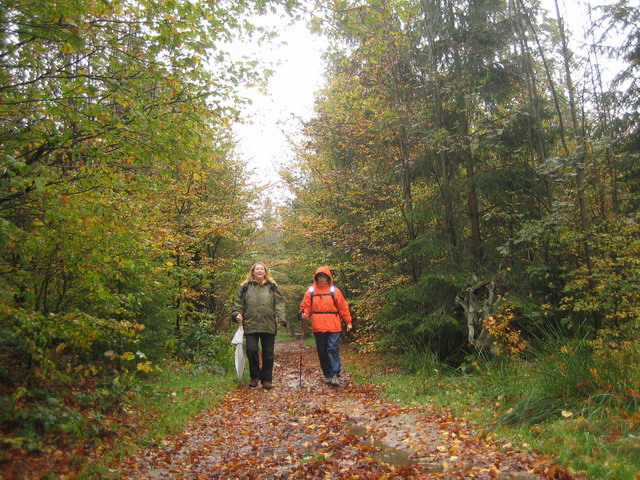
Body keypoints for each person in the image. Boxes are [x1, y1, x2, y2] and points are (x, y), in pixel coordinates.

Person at [232, 262, 286, 390]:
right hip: (251, 324)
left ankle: (266, 380)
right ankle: (254, 377)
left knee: (268, 353)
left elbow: (279, 304)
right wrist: (237, 314)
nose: (260, 271)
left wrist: (281, 319)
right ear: (253, 272)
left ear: (265, 272)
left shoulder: (272, 287)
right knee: (251, 350)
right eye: (257, 269)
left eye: (262, 269)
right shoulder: (245, 287)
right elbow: (238, 303)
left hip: (268, 324)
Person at [298, 266, 352, 387]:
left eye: (324, 277)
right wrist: (303, 314)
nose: (322, 279)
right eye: (320, 277)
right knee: (322, 351)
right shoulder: (311, 291)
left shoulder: (334, 291)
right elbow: (306, 306)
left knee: (332, 348)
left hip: (333, 324)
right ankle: (328, 374)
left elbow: (343, 307)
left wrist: (348, 321)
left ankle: (334, 374)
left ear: (328, 278)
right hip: (318, 325)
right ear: (316, 278)